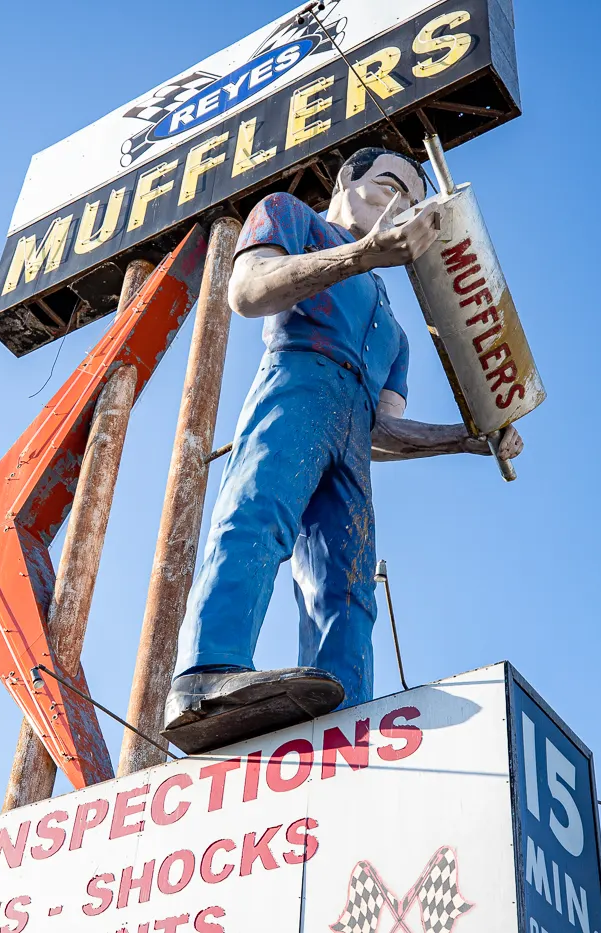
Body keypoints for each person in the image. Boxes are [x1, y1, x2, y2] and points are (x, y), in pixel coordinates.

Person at [162, 147, 524, 753]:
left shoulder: (394, 331)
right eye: (387, 187)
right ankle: (207, 670)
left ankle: (346, 713)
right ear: (344, 184)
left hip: (354, 433)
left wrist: (469, 439)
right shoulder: (289, 215)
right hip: (296, 381)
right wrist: (362, 254)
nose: (398, 207)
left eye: (410, 201)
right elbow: (248, 291)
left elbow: (385, 433)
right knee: (256, 517)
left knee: (349, 580)